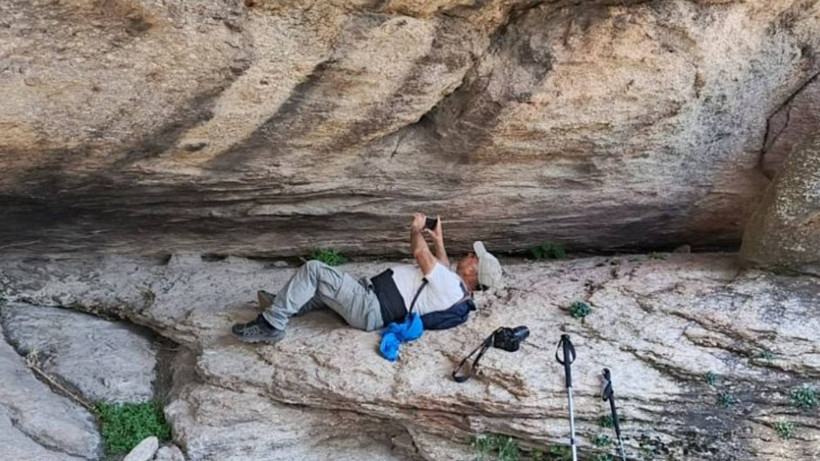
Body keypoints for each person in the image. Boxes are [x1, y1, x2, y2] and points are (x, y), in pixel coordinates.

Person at [231, 213, 503, 343]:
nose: (468, 254)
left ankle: (272, 324)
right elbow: (442, 265)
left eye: (473, 257)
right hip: (370, 300)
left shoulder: (450, 287)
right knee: (323, 292)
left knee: (314, 270)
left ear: (473, 272)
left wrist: (416, 230)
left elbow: (421, 253)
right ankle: (282, 303)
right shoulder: (456, 290)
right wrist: (439, 238)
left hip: (369, 307)